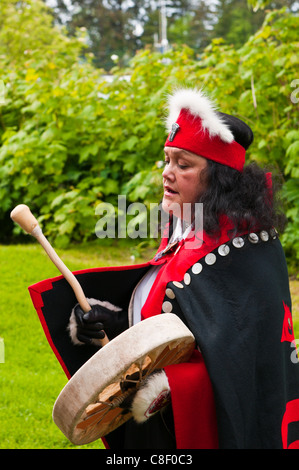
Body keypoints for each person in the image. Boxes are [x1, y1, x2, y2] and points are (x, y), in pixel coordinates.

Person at [30, 88, 299, 449]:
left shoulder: (247, 251)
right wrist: (115, 325)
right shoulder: (184, 224)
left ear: (220, 179)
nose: (167, 174)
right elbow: (176, 317)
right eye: (167, 160)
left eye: (183, 164)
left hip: (195, 427)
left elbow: (244, 363)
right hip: (157, 424)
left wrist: (169, 384)